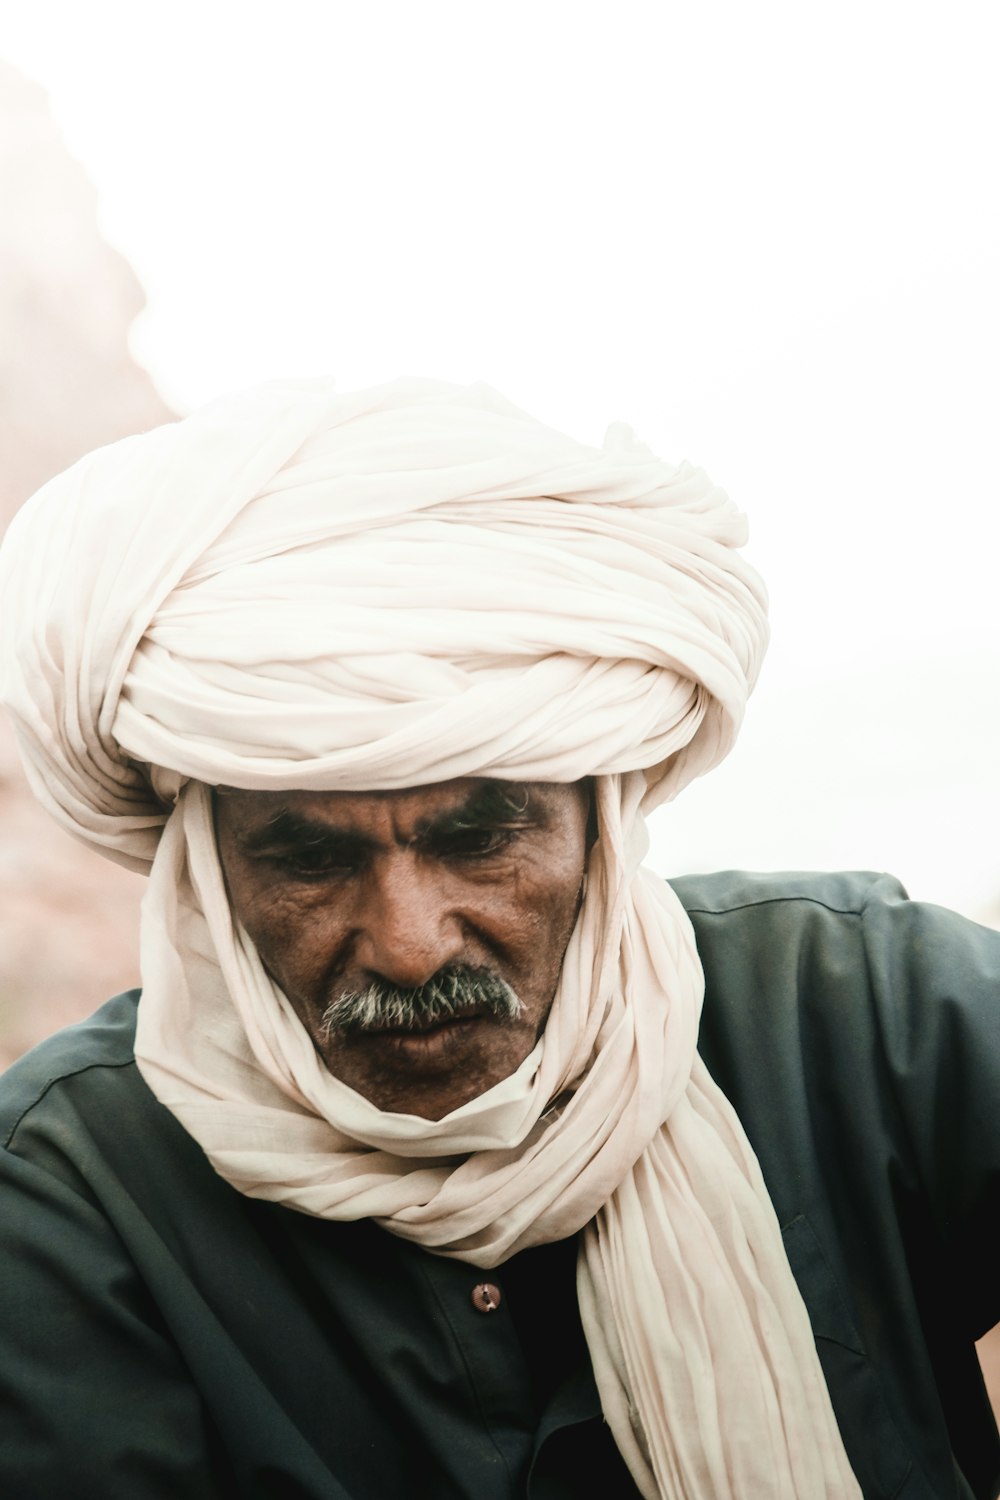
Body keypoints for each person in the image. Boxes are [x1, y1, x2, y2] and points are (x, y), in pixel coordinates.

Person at [0, 378, 996, 1500]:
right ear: (206, 868)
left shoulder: (860, 1007)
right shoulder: (72, 1191)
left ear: (601, 821)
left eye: (480, 840)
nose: (411, 947)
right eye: (311, 861)